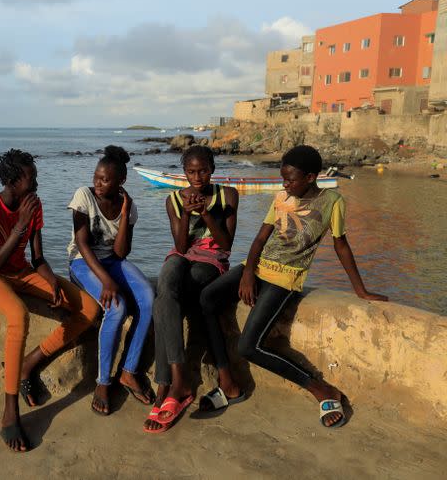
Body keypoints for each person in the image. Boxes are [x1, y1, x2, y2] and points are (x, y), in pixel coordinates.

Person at [198, 145, 387, 428]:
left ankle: (319, 388)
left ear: (311, 177)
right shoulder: (281, 197)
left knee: (249, 346)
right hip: (257, 269)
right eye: (283, 178)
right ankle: (227, 379)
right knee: (207, 298)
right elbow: (261, 239)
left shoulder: (332, 202)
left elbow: (341, 245)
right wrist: (248, 272)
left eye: (291, 179)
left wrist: (360, 291)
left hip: (285, 278)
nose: (285, 184)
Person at [0, 149, 99, 452]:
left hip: (23, 271)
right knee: (18, 315)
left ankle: (31, 362)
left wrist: (52, 282)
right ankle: (10, 410)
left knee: (90, 309)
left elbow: (38, 257)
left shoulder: (34, 205)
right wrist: (19, 225)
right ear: (15, 180)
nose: (37, 181)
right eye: (32, 176)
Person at [144, 145, 239, 433]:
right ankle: (177, 380)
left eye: (203, 171)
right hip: (182, 254)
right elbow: (182, 246)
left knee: (167, 298)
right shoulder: (173, 200)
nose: (197, 177)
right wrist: (187, 214)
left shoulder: (228, 195)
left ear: (212, 168)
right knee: (167, 281)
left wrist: (206, 214)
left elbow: (226, 245)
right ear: (184, 172)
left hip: (211, 260)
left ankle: (166, 386)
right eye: (191, 172)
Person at [66, 145, 155, 416]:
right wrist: (106, 281)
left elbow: (120, 252)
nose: (98, 183)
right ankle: (103, 382)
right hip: (83, 262)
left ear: (121, 182)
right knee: (116, 308)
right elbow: (82, 244)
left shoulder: (129, 207)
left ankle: (128, 372)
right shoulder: (84, 196)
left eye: (105, 180)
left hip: (112, 261)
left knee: (148, 299)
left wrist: (125, 214)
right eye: (96, 177)